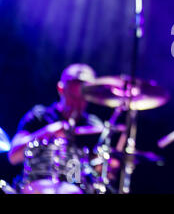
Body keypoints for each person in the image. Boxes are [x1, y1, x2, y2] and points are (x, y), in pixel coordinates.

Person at [8, 63, 105, 193]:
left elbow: (100, 170)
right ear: (60, 89)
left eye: (82, 98)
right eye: (72, 97)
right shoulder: (39, 117)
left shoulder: (94, 127)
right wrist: (48, 132)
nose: (77, 103)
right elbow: (13, 156)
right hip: (34, 186)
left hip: (75, 186)